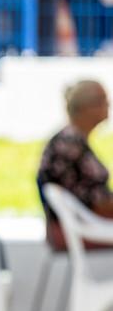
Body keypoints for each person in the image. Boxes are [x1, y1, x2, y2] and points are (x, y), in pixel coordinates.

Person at [37, 79, 113, 250]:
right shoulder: (69, 144)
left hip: (83, 221)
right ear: (86, 108)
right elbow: (96, 203)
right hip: (77, 227)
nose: (109, 105)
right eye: (103, 100)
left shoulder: (73, 140)